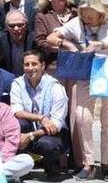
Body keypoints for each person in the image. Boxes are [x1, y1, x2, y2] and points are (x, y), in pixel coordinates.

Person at [47, 0, 108, 180]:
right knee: (81, 117)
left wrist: (100, 44)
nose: (87, 19)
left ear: (99, 13)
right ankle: (89, 164)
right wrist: (67, 43)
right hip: (85, 73)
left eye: (91, 15)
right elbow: (51, 37)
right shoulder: (76, 24)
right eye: (84, 15)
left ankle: (106, 165)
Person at [10, 50, 69, 180]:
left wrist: (30, 136)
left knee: (46, 144)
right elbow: (16, 111)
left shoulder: (56, 88)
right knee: (17, 123)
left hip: (52, 135)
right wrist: (41, 118)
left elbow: (55, 125)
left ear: (43, 66)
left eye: (34, 64)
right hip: (30, 128)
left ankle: (51, 167)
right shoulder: (18, 84)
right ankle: (22, 167)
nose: (30, 68)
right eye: (27, 64)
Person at [33, 0, 78, 71]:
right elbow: (41, 42)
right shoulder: (42, 16)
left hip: (77, 62)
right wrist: (62, 48)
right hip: (54, 64)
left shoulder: (76, 13)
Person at [0, 10, 35, 76]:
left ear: (26, 25)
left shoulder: (35, 39)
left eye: (20, 25)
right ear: (6, 27)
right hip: (7, 80)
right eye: (11, 26)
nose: (16, 29)